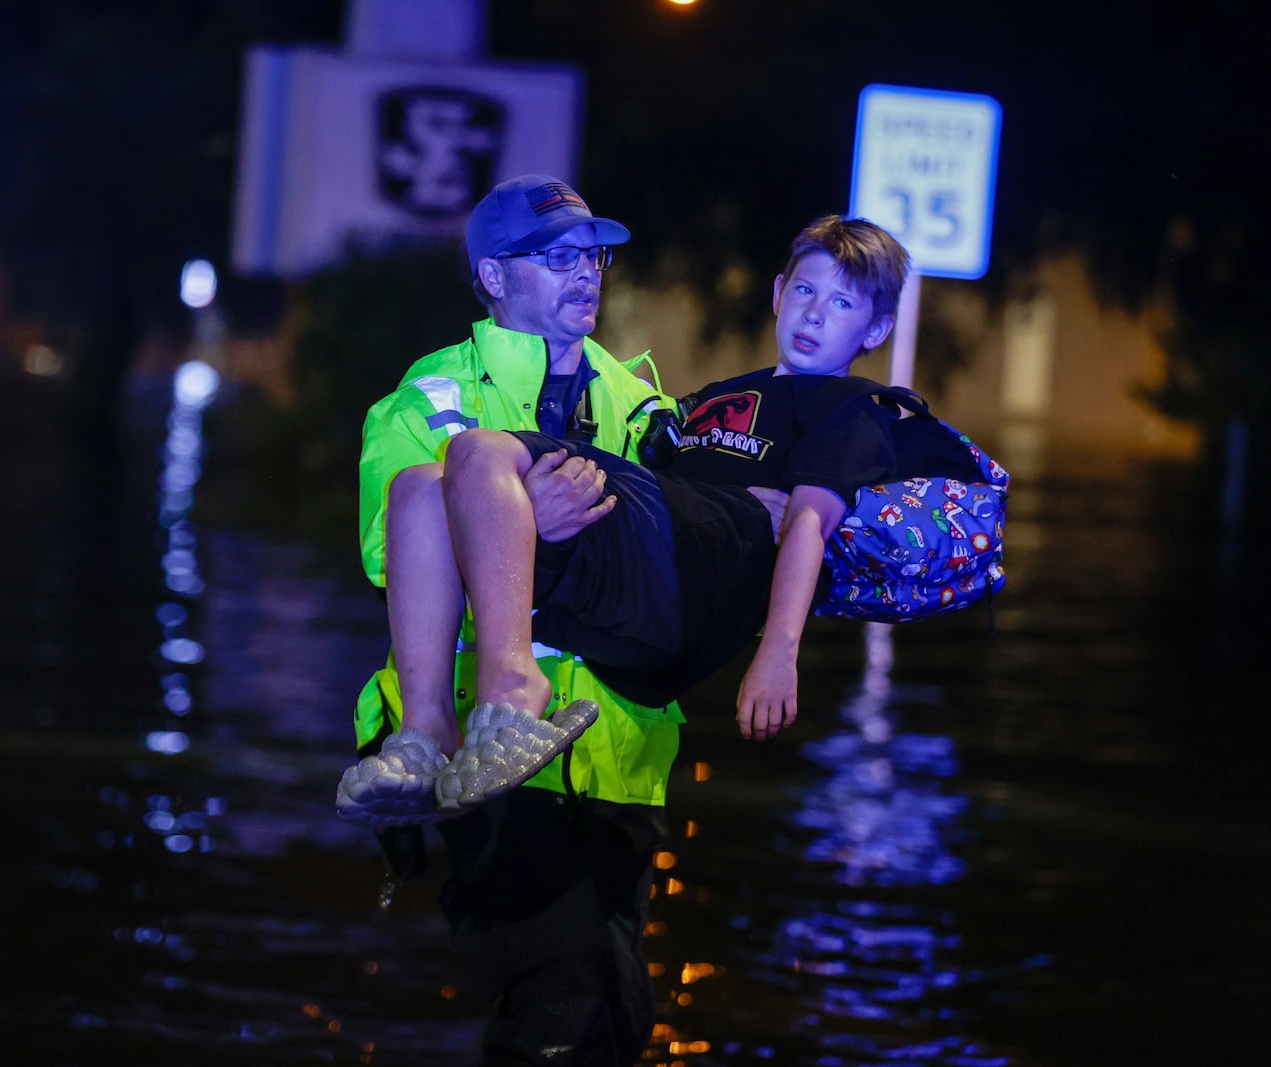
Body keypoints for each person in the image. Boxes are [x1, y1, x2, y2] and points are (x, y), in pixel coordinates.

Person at [340, 214, 911, 826]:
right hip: (611, 589)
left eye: (842, 302)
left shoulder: (848, 415)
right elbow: (387, 553)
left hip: (657, 614)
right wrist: (531, 517)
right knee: (423, 485)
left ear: (876, 327)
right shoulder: (706, 403)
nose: (816, 313)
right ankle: (427, 734)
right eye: (805, 291)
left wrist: (778, 652)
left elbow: (803, 529)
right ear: (777, 293)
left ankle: (511, 688)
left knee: (476, 452)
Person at [351, 174, 698, 1067]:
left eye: (593, 255)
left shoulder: (644, 405)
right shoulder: (436, 395)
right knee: (563, 1003)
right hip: (486, 753)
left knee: (615, 1010)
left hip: (619, 760)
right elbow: (393, 550)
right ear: (495, 278)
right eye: (556, 257)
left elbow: (676, 560)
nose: (585, 273)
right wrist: (519, 522)